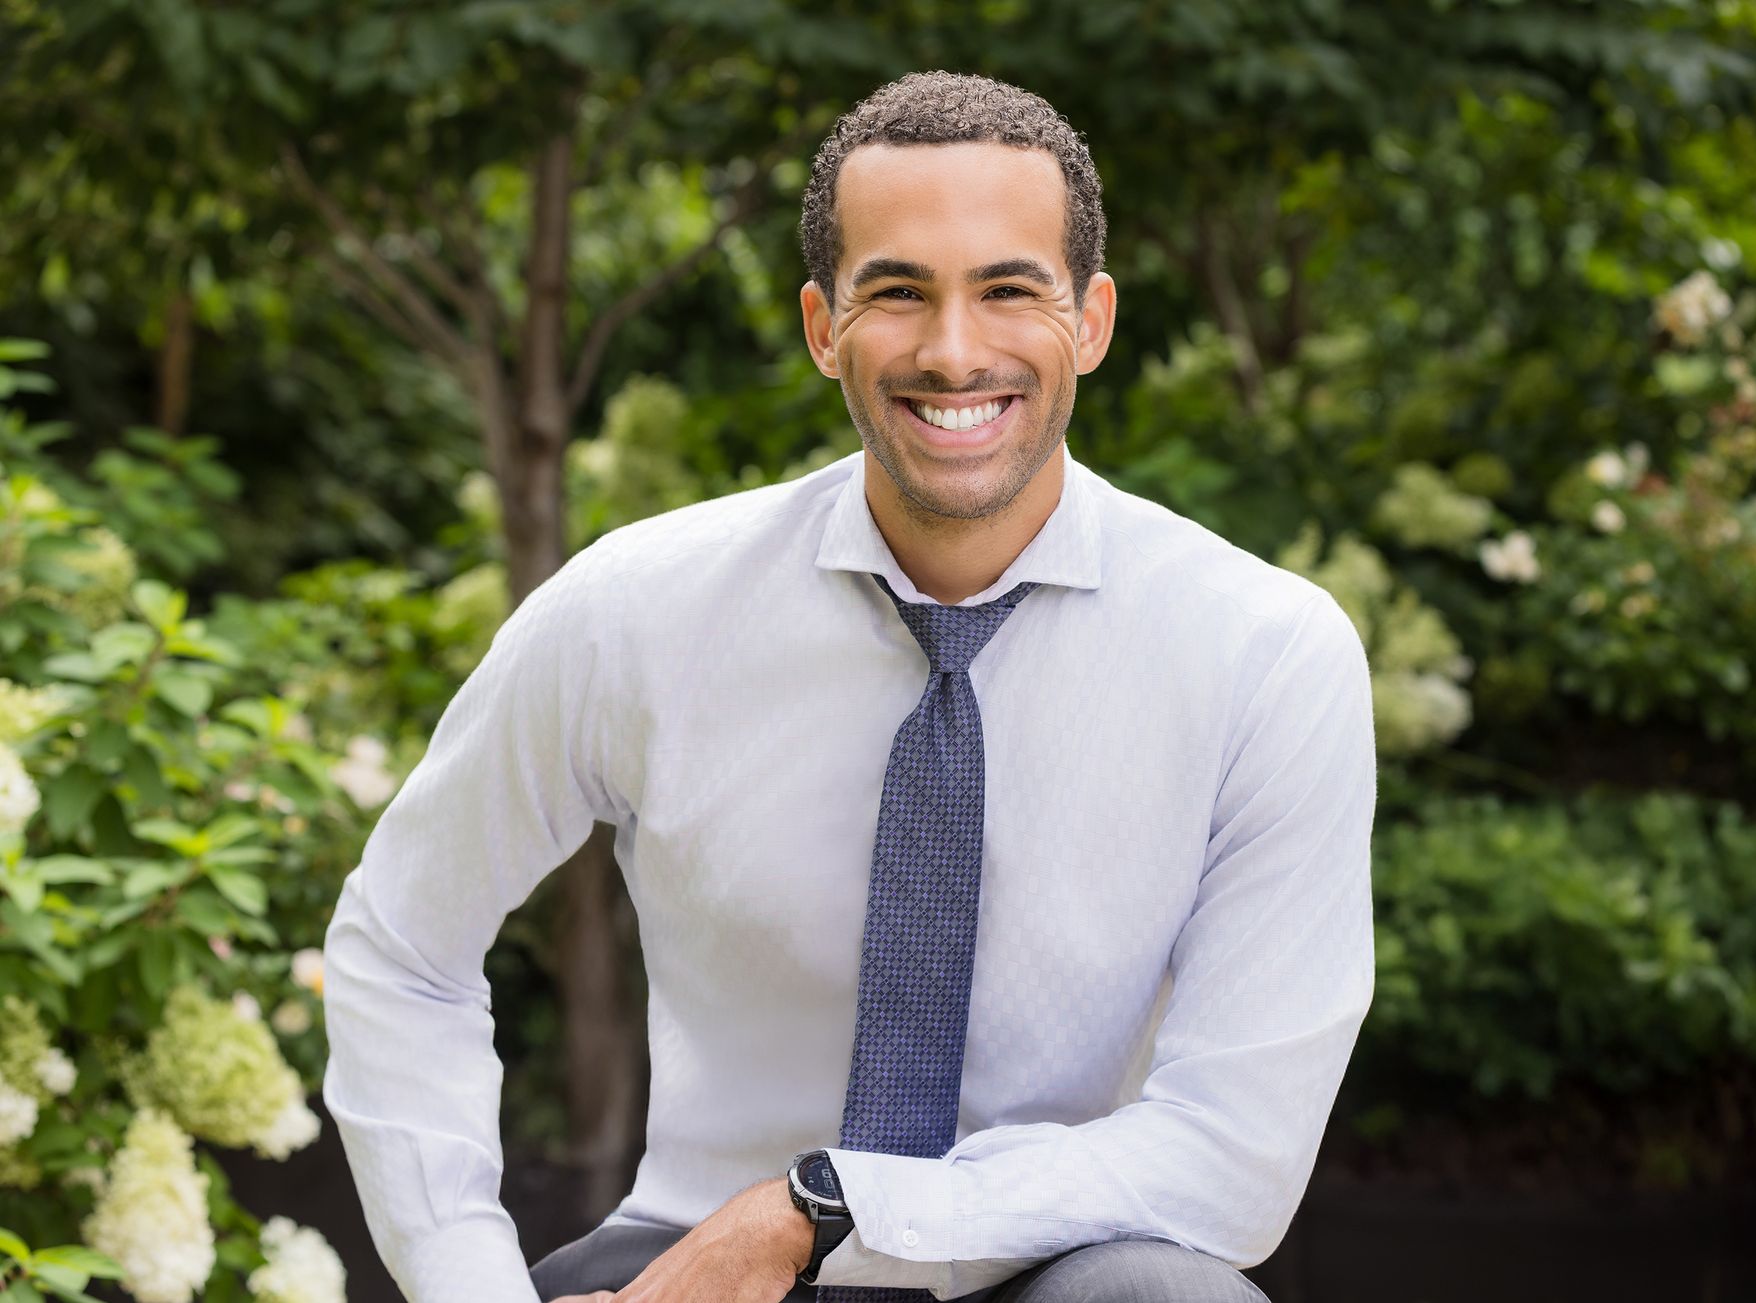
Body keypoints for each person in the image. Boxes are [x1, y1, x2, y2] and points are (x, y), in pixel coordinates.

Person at [321, 69, 1377, 1303]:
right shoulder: (638, 608)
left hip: (1053, 1268)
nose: (954, 351)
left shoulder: (1264, 654)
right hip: (688, 1264)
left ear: (1090, 320)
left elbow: (1231, 1155)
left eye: (1008, 290)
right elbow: (403, 941)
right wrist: (468, 1285)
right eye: (898, 292)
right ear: (823, 327)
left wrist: (820, 1211)